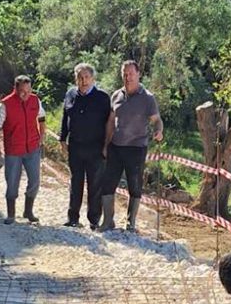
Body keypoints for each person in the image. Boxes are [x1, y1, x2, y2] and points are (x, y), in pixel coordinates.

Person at [98, 60, 163, 233]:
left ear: (138, 74)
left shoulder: (147, 98)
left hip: (136, 148)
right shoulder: (116, 95)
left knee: (134, 185)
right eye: (125, 74)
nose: (128, 78)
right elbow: (111, 122)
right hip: (116, 146)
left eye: (131, 74)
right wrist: (106, 144)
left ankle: (130, 223)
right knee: (107, 183)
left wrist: (158, 131)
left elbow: (157, 120)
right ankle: (108, 221)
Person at [59, 62, 111, 230]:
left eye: (87, 77)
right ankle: (73, 218)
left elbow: (110, 123)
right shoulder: (70, 94)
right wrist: (62, 138)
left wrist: (107, 145)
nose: (83, 81)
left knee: (95, 185)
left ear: (93, 78)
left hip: (96, 148)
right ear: (76, 79)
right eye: (80, 77)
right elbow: (65, 117)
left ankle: (94, 220)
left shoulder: (103, 98)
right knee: (76, 183)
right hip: (75, 147)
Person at [0, 75, 46, 224]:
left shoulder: (35, 100)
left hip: (32, 148)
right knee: (12, 182)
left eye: (28, 91)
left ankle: (28, 211)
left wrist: (42, 136)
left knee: (35, 181)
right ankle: (11, 214)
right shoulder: (6, 104)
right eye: (22, 91)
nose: (26, 94)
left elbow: (42, 118)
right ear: (15, 89)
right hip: (13, 150)